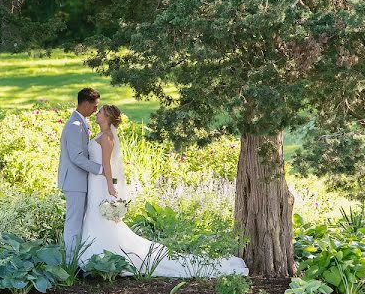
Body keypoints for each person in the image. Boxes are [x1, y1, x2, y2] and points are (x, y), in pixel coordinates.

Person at [81, 104, 249, 278]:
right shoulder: (100, 135)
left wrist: (109, 185)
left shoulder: (107, 137)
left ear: (107, 117)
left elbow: (107, 165)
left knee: (101, 218)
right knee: (95, 217)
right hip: (94, 183)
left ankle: (102, 254)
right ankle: (95, 253)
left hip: (101, 183)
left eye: (99, 112)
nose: (96, 114)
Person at [57, 88, 105, 261]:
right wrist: (100, 169)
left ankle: (75, 259)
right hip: (74, 182)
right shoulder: (74, 125)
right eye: (94, 106)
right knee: (73, 223)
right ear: (85, 103)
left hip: (80, 182)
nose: (95, 110)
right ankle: (70, 262)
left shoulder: (81, 122)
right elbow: (76, 157)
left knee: (78, 222)